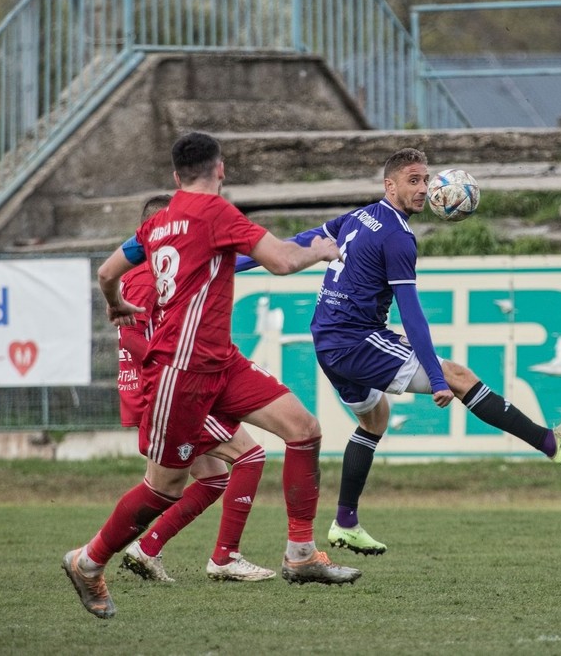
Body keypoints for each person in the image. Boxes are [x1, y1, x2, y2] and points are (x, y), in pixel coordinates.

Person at [62, 132, 360, 620]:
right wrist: (322, 250)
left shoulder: (157, 223)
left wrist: (114, 302)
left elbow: (105, 272)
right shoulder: (216, 213)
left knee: (303, 429)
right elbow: (282, 261)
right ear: (221, 169)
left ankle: (301, 554)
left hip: (220, 362)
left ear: (176, 176)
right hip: (181, 371)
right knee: (165, 487)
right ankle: (88, 560)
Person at [289, 148, 561, 556]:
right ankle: (550, 443)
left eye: (425, 180)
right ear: (389, 186)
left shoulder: (360, 217)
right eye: (413, 180)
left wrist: (239, 260)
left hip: (329, 339)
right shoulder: (397, 236)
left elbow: (301, 242)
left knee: (375, 421)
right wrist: (435, 375)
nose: (423, 189)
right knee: (459, 377)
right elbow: (412, 317)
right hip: (354, 341)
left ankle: (345, 523)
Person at [116, 194, 274, 583]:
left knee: (213, 478)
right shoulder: (141, 281)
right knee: (250, 457)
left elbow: (241, 260)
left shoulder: (160, 275)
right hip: (171, 395)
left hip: (169, 393)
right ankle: (225, 557)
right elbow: (139, 342)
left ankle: (146, 548)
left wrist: (305, 245)